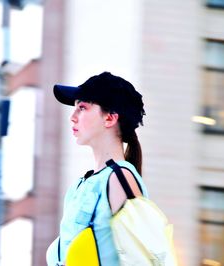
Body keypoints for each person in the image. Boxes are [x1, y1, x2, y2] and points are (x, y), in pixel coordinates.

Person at [46, 71, 148, 265]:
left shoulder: (120, 178)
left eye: (82, 107)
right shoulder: (80, 185)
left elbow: (140, 259)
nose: (73, 117)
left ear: (109, 118)